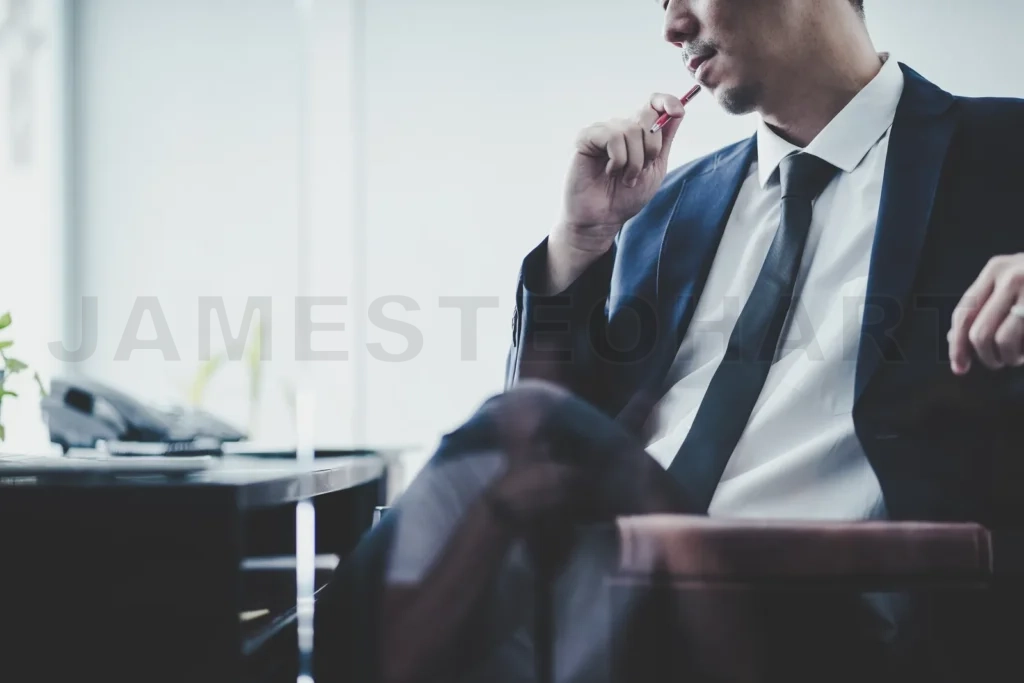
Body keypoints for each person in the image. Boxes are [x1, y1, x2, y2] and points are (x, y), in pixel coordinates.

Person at [316, 1, 1024, 681]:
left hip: (834, 608)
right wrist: (583, 241)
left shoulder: (1003, 153)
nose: (672, 25)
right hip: (618, 590)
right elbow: (550, 433)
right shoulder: (667, 209)